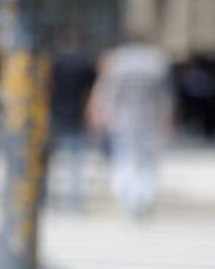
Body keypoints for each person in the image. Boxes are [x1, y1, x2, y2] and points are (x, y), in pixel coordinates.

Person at [88, 33, 174, 218]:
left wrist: (102, 116)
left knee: (125, 160)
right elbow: (165, 97)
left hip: (123, 121)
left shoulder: (118, 62)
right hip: (150, 121)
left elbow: (107, 93)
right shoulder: (156, 62)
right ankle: (142, 198)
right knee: (146, 163)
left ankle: (129, 199)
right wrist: (167, 119)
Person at [48, 25, 97, 209]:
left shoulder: (54, 62)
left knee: (47, 160)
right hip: (76, 115)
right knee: (75, 162)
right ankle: (73, 200)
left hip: (54, 114)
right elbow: (92, 89)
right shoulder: (84, 63)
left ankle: (45, 197)